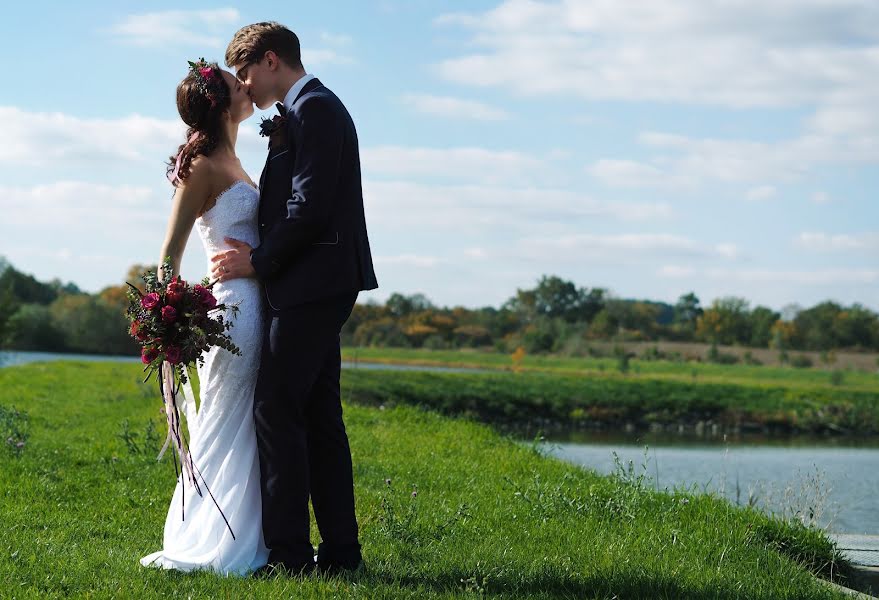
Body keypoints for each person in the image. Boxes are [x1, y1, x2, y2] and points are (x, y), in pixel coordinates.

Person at [212, 21, 378, 575]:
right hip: (313, 281)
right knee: (318, 414)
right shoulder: (303, 112)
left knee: (276, 408)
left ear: (272, 60)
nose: (245, 85)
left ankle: (288, 556)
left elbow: (307, 210)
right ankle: (340, 553)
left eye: (246, 71)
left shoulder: (317, 111)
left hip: (315, 282)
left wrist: (256, 262)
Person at [139, 59, 269, 576]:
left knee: (248, 422)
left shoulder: (238, 160)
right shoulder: (203, 167)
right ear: (221, 104)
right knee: (222, 420)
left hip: (258, 299)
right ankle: (211, 538)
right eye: (238, 84)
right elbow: (169, 253)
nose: (248, 86)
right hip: (233, 309)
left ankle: (247, 534)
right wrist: (170, 315)